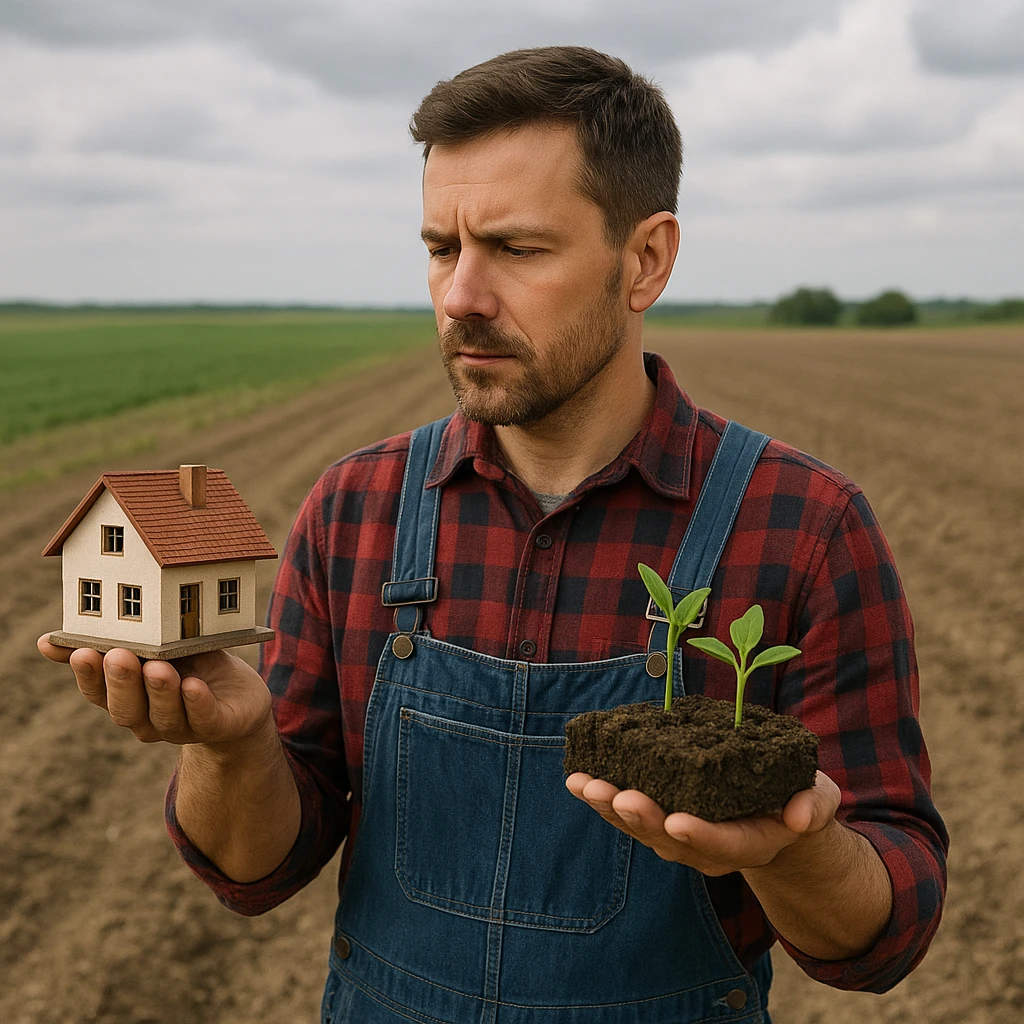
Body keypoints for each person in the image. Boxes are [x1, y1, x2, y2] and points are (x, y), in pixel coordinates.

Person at [40, 46, 947, 1023]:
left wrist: (794, 846)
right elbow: (256, 870)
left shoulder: (803, 527)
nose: (460, 295)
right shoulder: (355, 510)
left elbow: (882, 932)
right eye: (441, 247)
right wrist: (232, 741)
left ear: (644, 260)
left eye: (516, 249)